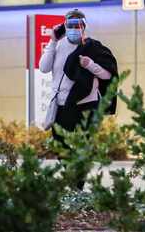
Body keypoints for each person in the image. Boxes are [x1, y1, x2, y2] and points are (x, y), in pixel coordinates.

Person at [39, 9, 119, 149]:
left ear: (84, 26)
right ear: (65, 26)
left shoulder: (93, 47)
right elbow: (44, 68)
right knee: (60, 146)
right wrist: (52, 41)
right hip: (62, 104)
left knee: (84, 148)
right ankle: (71, 171)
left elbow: (108, 75)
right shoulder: (57, 45)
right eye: (70, 25)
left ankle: (79, 171)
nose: (74, 29)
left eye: (78, 25)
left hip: (85, 104)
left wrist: (90, 65)